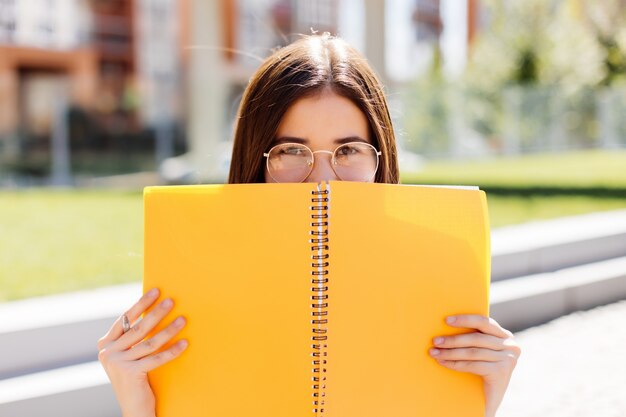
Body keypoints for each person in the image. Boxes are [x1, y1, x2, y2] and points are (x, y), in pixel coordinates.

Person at [97, 33, 520, 417]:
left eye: (349, 150)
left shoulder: (437, 267)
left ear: (381, 157)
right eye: (291, 151)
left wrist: (482, 402)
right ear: (256, 159)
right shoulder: (196, 277)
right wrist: (139, 406)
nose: (322, 181)